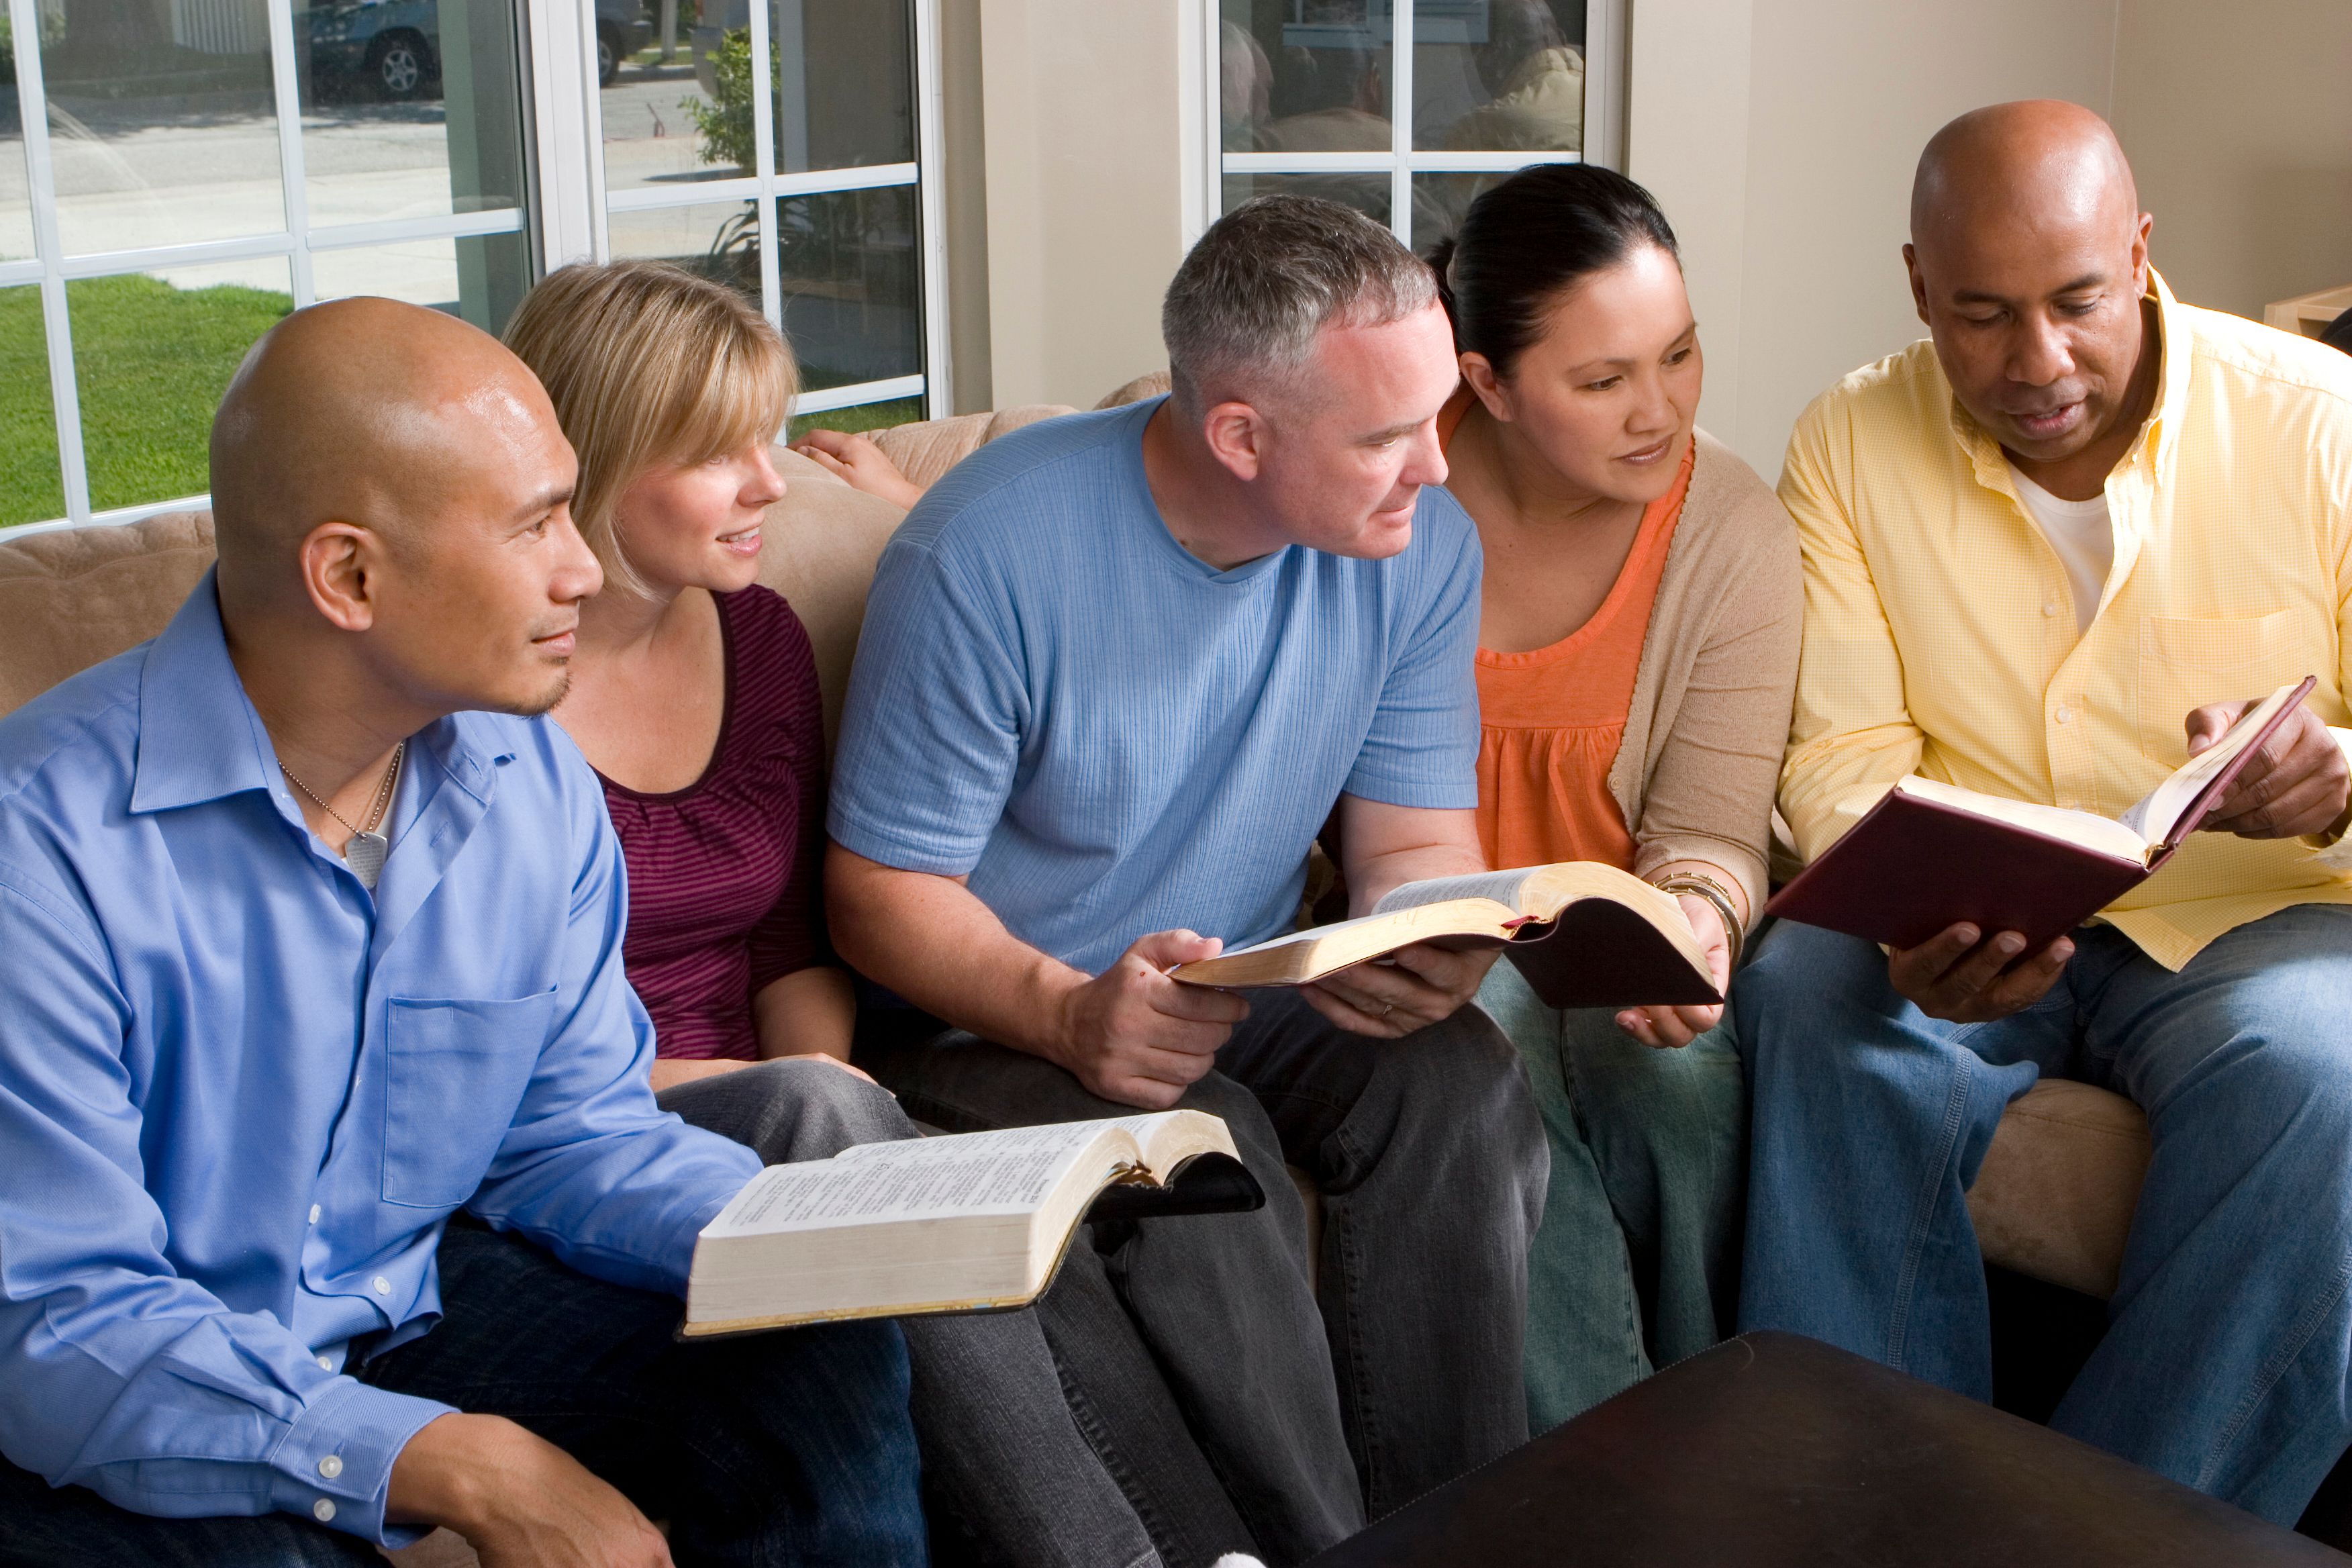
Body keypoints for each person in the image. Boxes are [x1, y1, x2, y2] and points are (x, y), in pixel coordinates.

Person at [0, 298, 924, 1567]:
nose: (584, 569)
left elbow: (572, 1134)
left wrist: (815, 1241)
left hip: (405, 1308)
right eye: (536, 522)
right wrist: (458, 1462)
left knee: (804, 1340)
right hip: (134, 1365)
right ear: (350, 576)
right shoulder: (38, 846)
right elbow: (55, 1317)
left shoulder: (528, 781)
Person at [824, 195, 1549, 1565]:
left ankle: (1460, 1529)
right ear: (1239, 435)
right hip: (989, 1016)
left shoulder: (1418, 552)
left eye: (1441, 415)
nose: (1439, 471)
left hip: (1244, 974)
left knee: (1457, 1078)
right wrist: (1063, 1011)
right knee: (1211, 1154)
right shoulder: (984, 554)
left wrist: (1428, 929)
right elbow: (877, 892)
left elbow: (1411, 842)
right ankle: (1320, 1547)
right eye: (1388, 437)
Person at [1735, 99, 2352, 1525]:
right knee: (1801, 995)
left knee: (2327, 1084)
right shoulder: (1843, 439)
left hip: (2255, 916)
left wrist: (2336, 772)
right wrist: (1899, 902)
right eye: (1982, 315)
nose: (2039, 363)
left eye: (2079, 302)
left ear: (2140, 253)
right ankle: (1855, 1506)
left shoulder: (2318, 426)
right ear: (1915, 290)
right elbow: (1841, 754)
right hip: (1962, 910)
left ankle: (2097, 1537)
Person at [503, 258, 1163, 1568]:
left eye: (772, 437)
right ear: (589, 457)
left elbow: (787, 943)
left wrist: (820, 1090)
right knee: (837, 1132)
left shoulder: (758, 641)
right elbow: (499, 1049)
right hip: (584, 1128)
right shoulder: (488, 689)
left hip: (780, 1109)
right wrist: (797, 1106)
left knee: (1013, 1208)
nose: (771, 482)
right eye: (718, 453)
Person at [1426, 164, 1799, 1430]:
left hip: (1618, 942)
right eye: (1603, 382)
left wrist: (1696, 919)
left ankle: (1710, 1420)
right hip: (1421, 940)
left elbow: (1707, 833)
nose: (1662, 412)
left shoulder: (1732, 531)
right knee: (1490, 1031)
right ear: (1485, 381)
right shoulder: (1381, 468)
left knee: (1678, 1084)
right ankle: (1628, 1481)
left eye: (1680, 356)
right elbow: (1172, 438)